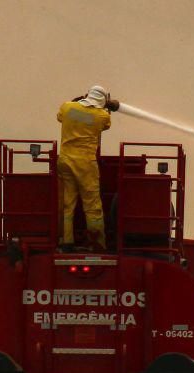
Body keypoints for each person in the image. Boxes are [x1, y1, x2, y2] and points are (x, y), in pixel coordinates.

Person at [56, 85, 115, 250]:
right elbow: (105, 124)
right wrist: (106, 107)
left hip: (65, 160)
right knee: (92, 204)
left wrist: (78, 101)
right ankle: (97, 243)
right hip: (85, 164)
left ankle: (66, 241)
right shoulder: (101, 115)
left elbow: (61, 117)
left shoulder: (68, 107)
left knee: (68, 203)